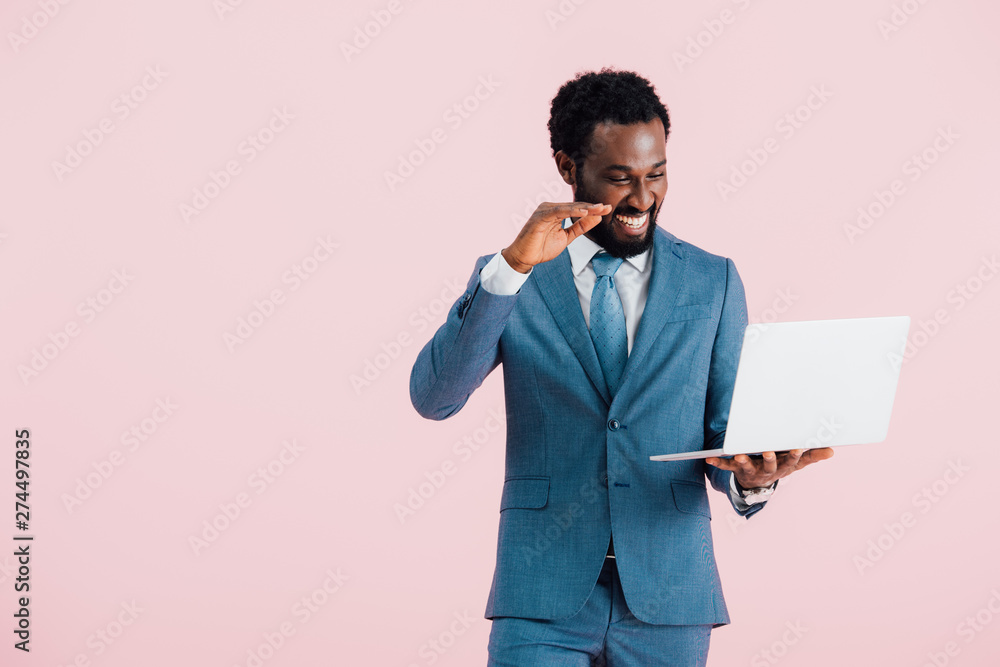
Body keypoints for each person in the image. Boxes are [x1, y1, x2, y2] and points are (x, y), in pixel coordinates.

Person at [409, 67, 833, 667]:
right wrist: (508, 271)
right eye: (619, 178)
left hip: (669, 594)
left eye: (656, 174)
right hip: (541, 593)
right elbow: (435, 397)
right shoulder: (512, 277)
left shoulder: (712, 281)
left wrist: (753, 474)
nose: (641, 199)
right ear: (566, 168)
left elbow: (723, 434)